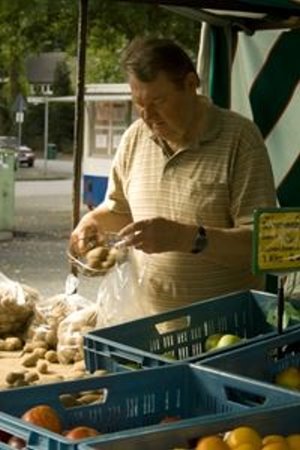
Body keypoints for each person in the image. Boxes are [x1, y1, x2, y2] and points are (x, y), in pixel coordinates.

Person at [70, 37, 277, 315]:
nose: (147, 115)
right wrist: (92, 222)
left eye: (158, 101)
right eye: (138, 103)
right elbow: (121, 211)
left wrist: (187, 238)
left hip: (225, 333)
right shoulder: (135, 138)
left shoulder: (240, 140)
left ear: (190, 85)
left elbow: (261, 245)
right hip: (148, 328)